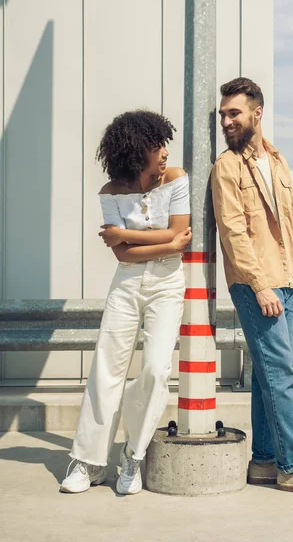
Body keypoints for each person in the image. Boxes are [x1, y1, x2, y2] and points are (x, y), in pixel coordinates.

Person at [211, 77, 293, 496]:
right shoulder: (226, 167)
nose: (227, 121)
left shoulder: (277, 161)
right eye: (223, 115)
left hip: (285, 279)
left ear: (257, 112)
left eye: (234, 113)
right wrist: (259, 285)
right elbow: (233, 234)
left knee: (270, 377)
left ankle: (265, 461)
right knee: (282, 374)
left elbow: (291, 226)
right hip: (257, 286)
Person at [61, 110, 192, 495]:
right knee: (106, 367)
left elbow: (179, 231)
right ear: (135, 153)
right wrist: (166, 243)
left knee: (154, 368)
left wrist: (124, 233)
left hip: (167, 284)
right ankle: (87, 461)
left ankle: (132, 455)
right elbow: (125, 256)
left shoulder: (177, 179)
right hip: (128, 283)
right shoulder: (111, 192)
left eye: (164, 143)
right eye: (155, 146)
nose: (164, 153)